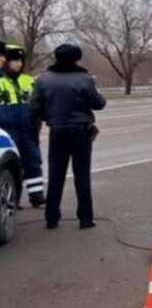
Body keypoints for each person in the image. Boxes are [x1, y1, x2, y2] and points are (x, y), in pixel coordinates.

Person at [30, 44, 106, 229]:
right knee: (82, 175)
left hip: (57, 131)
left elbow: (34, 107)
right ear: (76, 58)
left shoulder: (43, 80)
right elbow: (98, 103)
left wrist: (49, 116)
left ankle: (52, 218)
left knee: (55, 175)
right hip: (80, 131)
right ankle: (85, 218)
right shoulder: (84, 79)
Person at [0, 44, 45, 207]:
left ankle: (37, 195)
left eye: (20, 60)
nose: (18, 64)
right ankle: (13, 198)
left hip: (28, 128)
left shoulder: (28, 80)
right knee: (12, 164)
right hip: (6, 131)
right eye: (14, 60)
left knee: (33, 161)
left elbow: (40, 103)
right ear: (6, 61)